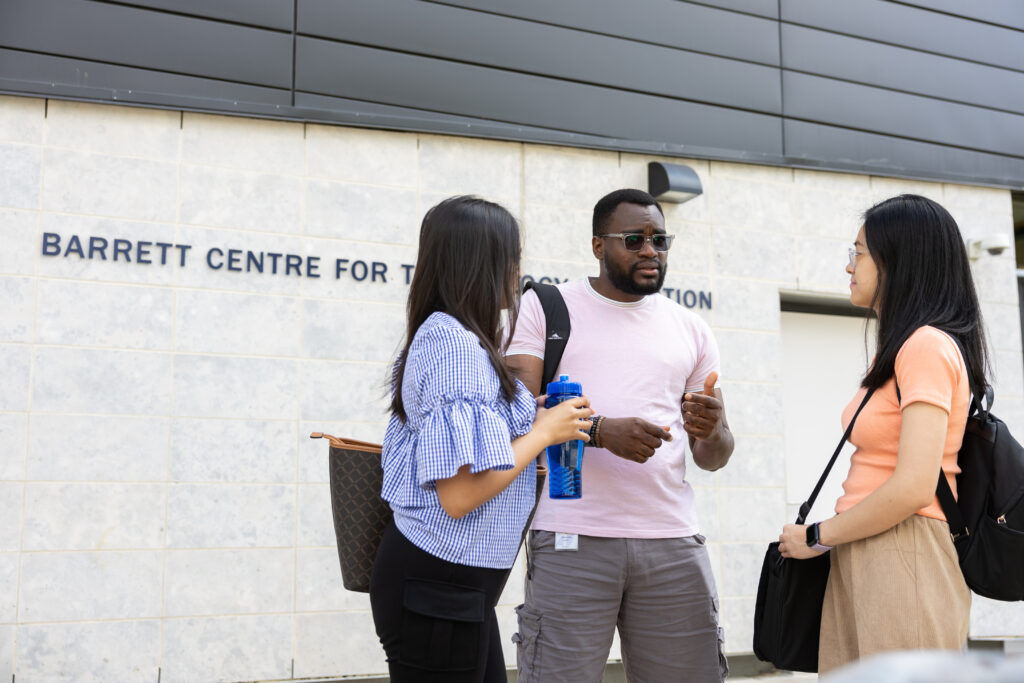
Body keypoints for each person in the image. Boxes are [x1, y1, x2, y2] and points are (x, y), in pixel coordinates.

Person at [506, 188, 735, 682]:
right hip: (573, 535)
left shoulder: (692, 330)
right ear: (597, 245)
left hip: (672, 540)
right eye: (633, 239)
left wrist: (713, 429)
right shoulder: (547, 307)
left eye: (660, 240)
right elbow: (514, 415)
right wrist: (602, 432)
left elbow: (712, 456)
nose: (650, 250)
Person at [369, 196, 593, 683]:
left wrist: (527, 419)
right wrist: (542, 434)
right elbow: (460, 494)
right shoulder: (454, 347)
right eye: (511, 259)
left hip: (450, 587)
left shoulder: (454, 337)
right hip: (436, 585)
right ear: (480, 263)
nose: (518, 273)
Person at [777, 194, 986, 672]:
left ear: (898, 259)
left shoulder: (926, 346)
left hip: (903, 548)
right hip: (868, 545)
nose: (849, 266)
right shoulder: (900, 349)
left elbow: (913, 486)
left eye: (860, 253)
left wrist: (816, 535)